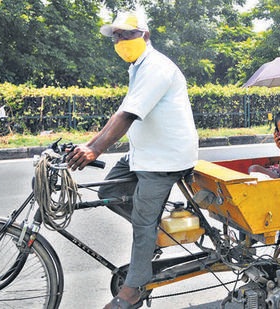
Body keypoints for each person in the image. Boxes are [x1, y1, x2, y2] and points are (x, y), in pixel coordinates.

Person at [66, 10, 198, 309]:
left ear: (145, 36)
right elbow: (121, 113)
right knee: (109, 192)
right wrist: (86, 145)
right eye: (116, 37)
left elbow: (127, 114)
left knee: (142, 221)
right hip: (144, 153)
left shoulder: (157, 67)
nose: (120, 41)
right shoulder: (138, 66)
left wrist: (95, 150)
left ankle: (133, 290)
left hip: (165, 157)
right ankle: (152, 234)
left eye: (126, 34)